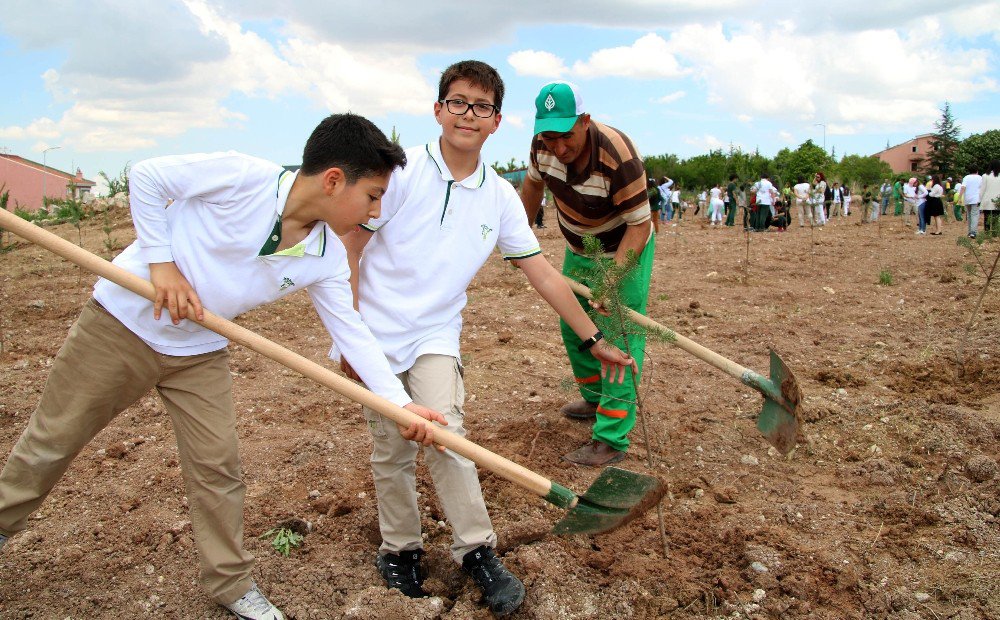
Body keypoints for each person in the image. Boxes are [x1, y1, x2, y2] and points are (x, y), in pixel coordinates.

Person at [0, 114, 449, 620]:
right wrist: (162, 263)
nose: (376, 209)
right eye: (372, 195)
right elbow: (148, 176)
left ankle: (231, 582)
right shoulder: (243, 178)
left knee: (218, 468)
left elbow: (352, 331)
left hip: (198, 349)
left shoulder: (323, 252)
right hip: (122, 324)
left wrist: (398, 403)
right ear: (332, 180)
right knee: (52, 440)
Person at [340, 63, 635, 615]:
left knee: (448, 434)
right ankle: (400, 549)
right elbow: (351, 248)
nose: (467, 115)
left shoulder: (498, 197)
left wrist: (593, 338)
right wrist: (351, 339)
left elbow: (542, 272)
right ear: (437, 110)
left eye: (481, 107)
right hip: (374, 335)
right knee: (392, 449)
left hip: (434, 334)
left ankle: (476, 549)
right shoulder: (399, 177)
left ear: (497, 122)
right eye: (457, 102)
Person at [520, 80, 653, 467]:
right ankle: (595, 399)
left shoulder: (617, 155)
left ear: (585, 121)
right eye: (549, 136)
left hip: (625, 245)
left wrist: (612, 281)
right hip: (579, 245)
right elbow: (531, 187)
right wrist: (520, 234)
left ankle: (612, 437)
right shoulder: (540, 146)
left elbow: (640, 227)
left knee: (616, 336)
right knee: (574, 324)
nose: (558, 148)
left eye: (566, 136)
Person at [959, 165, 983, 239]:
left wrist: (960, 197)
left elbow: (963, 187)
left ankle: (970, 231)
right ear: (977, 170)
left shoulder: (966, 177)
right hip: (976, 199)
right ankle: (973, 232)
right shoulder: (980, 177)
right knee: (975, 215)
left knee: (969, 215)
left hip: (968, 198)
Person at [980, 160, 1000, 235]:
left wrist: (979, 200)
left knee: (987, 217)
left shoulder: (985, 176)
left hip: (987, 199)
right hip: (998, 200)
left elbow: (982, 190)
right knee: (996, 217)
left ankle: (987, 233)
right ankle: (995, 233)